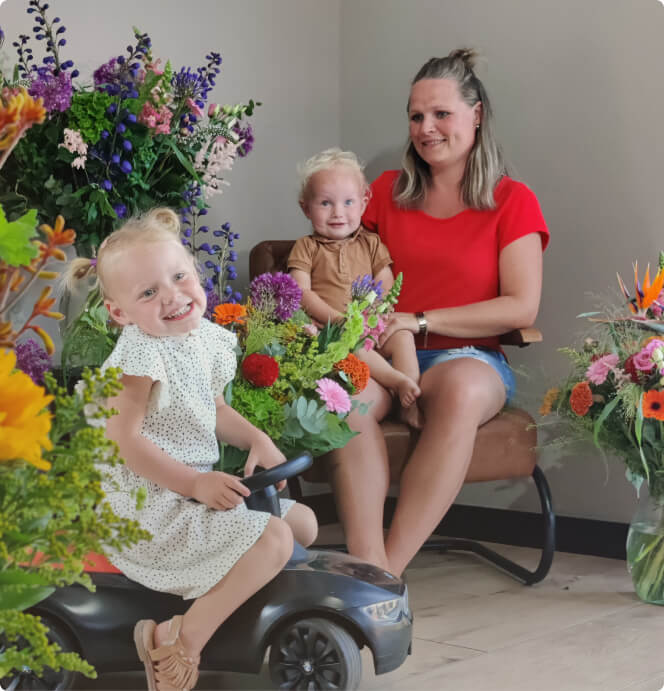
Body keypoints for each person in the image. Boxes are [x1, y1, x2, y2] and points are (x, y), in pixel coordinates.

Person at [63, 208, 317, 691]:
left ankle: (229, 611)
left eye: (179, 277)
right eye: (148, 292)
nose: (173, 297)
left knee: (301, 523)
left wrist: (258, 439)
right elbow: (124, 442)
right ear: (120, 313)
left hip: (183, 495)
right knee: (277, 539)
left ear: (195, 272)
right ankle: (178, 640)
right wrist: (196, 482)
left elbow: (214, 407)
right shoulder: (140, 354)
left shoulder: (204, 339)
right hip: (146, 507)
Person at [326, 49, 549, 577]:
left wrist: (420, 320)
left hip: (470, 358)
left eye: (441, 114)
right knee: (347, 395)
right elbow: (341, 269)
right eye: (416, 115)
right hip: (382, 353)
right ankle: (367, 565)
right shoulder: (380, 192)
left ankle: (387, 577)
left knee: (462, 392)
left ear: (477, 115)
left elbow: (521, 306)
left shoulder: (513, 201)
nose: (426, 128)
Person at [288, 147, 422, 427]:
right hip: (331, 329)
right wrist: (338, 321)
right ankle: (396, 382)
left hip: (370, 322)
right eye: (325, 203)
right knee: (353, 344)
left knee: (404, 337)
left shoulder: (371, 242)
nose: (338, 213)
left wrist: (376, 309)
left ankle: (411, 398)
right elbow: (301, 292)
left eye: (348, 202)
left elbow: (385, 279)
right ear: (305, 208)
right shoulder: (306, 247)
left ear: (363, 203)